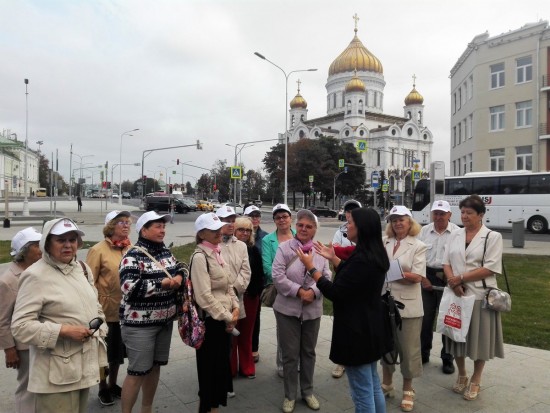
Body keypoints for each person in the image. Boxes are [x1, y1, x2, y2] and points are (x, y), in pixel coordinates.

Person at [298, 207, 390, 412]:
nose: (346, 226)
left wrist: (311, 268)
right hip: (370, 328)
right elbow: (355, 280)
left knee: (362, 391)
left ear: (362, 228)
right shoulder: (371, 253)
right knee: (372, 384)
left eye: (350, 223)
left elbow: (337, 292)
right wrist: (334, 258)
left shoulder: (363, 259)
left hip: (357, 332)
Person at [11, 218, 108, 413]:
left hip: (83, 366)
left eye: (72, 239)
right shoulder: (35, 275)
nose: (68, 245)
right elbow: (20, 327)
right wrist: (63, 331)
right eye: (60, 240)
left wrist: (100, 328)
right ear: (47, 243)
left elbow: (95, 305)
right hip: (55, 374)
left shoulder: (81, 268)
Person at [119, 211, 185, 413]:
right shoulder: (132, 256)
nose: (162, 229)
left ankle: (146, 408)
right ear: (144, 230)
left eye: (163, 226)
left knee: (155, 367)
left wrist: (181, 276)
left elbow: (180, 266)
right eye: (157, 226)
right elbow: (129, 287)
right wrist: (161, 284)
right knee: (137, 372)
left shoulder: (165, 252)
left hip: (164, 322)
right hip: (139, 326)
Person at [443, 194, 504, 401]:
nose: (465, 216)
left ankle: (476, 379)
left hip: (479, 296)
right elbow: (446, 261)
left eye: (469, 213)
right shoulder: (455, 234)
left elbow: (490, 268)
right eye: (462, 212)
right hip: (457, 294)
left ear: (481, 214)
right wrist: (454, 281)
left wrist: (460, 278)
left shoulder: (492, 237)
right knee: (456, 337)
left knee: (479, 340)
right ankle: (462, 374)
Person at [272, 209, 331, 413]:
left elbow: (327, 276)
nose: (304, 229)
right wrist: (298, 292)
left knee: (309, 352)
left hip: (312, 309)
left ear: (315, 229)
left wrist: (313, 293)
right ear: (295, 226)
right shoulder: (285, 248)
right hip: (287, 309)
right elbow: (277, 276)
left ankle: (307, 392)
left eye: (309, 226)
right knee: (289, 354)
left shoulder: (320, 250)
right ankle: (289, 395)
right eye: (300, 225)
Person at [191, 212, 240, 413]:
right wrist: (229, 316)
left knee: (220, 368)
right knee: (209, 370)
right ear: (201, 234)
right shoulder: (200, 256)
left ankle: (214, 408)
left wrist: (236, 307)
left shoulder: (217, 252)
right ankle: (207, 408)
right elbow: (204, 297)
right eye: (213, 230)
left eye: (218, 228)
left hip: (224, 322)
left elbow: (229, 285)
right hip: (211, 323)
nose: (219, 232)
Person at [381, 205, 426, 412]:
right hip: (384, 302)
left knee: (408, 349)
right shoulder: (384, 242)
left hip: (408, 305)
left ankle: (408, 389)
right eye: (394, 220)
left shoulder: (418, 245)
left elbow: (417, 277)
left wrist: (392, 272)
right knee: (386, 346)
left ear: (410, 222)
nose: (398, 223)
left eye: (402, 219)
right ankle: (387, 383)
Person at [86, 210, 133, 405]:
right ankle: (103, 386)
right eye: (120, 222)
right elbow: (88, 282)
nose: (125, 225)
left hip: (127, 312)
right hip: (106, 312)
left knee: (118, 355)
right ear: (110, 226)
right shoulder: (98, 250)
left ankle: (114, 383)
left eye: (127, 222)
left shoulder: (131, 248)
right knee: (104, 354)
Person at [0, 227, 42, 412]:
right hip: (23, 345)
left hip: (40, 338)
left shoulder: (38, 271)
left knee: (41, 386)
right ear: (24, 251)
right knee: (27, 388)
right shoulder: (8, 280)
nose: (41, 247)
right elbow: (2, 320)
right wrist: (9, 349)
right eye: (35, 245)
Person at [418, 200, 459, 374]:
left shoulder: (458, 233)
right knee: (425, 319)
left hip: (448, 278)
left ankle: (447, 358)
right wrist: (422, 278)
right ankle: (423, 353)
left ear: (450, 215)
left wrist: (453, 279)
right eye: (436, 213)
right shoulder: (423, 231)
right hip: (427, 275)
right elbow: (417, 256)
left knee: (447, 320)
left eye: (442, 213)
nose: (439, 217)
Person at [216, 205, 251, 396]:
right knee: (216, 341)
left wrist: (234, 290)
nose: (230, 224)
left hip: (235, 300)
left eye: (231, 220)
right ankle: (216, 378)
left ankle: (226, 379)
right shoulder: (212, 245)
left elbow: (246, 272)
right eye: (225, 220)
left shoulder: (241, 246)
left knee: (229, 341)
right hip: (215, 302)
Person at [262, 203, 296, 378]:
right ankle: (283, 364)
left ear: (291, 218)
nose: (282, 220)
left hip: (300, 290)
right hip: (279, 290)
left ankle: (296, 361)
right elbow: (267, 267)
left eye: (285, 216)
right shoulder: (268, 240)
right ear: (274, 220)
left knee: (299, 327)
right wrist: (286, 281)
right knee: (283, 328)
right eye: (278, 217)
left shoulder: (300, 235)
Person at [330, 199, 362, 379]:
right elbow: (334, 251)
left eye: (354, 210)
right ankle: (341, 362)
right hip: (342, 276)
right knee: (341, 321)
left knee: (356, 321)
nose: (350, 213)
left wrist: (345, 252)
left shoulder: (364, 231)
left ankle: (356, 358)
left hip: (358, 281)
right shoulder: (340, 231)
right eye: (348, 211)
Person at [231, 216, 265, 378]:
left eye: (248, 230)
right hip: (232, 297)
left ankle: (246, 366)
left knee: (246, 333)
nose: (244, 233)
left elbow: (260, 275)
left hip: (250, 297)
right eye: (241, 229)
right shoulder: (226, 248)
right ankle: (230, 367)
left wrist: (255, 291)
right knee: (232, 333)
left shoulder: (253, 250)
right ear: (234, 230)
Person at [244, 204, 267, 363]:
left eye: (257, 215)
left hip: (255, 285)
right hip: (239, 286)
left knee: (254, 318)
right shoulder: (241, 235)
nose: (255, 219)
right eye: (252, 216)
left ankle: (253, 348)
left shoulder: (264, 237)